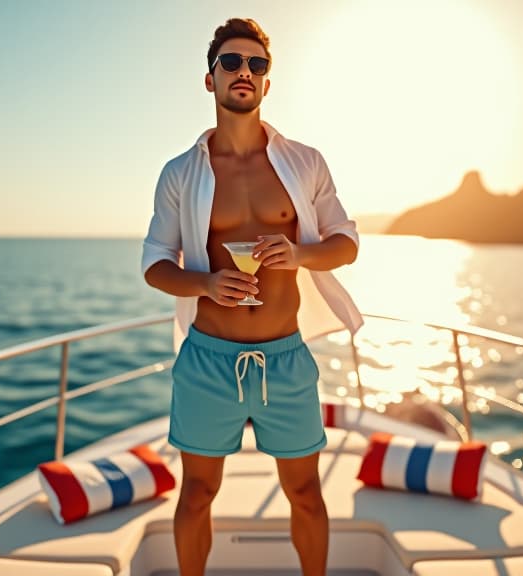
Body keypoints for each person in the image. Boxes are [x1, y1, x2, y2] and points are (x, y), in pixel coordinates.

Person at [141, 17, 363, 576]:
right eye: (231, 63)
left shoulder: (305, 162)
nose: (244, 71)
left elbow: (346, 243)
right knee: (195, 495)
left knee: (307, 494)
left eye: (256, 64)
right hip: (207, 360)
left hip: (286, 359)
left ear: (267, 83)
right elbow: (155, 266)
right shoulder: (180, 174)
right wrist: (207, 284)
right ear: (210, 79)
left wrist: (300, 253)